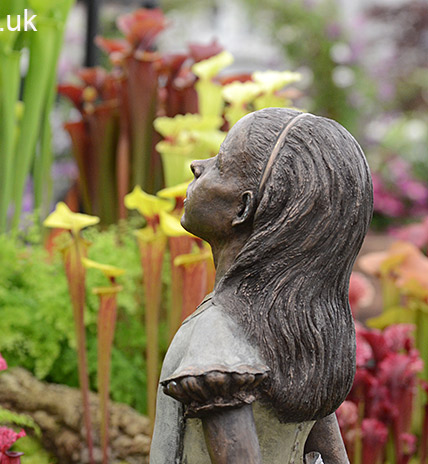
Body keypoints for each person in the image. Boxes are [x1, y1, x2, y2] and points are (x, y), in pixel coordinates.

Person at [150, 107, 373, 464]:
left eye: (221, 164)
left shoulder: (218, 338)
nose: (197, 165)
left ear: (243, 209)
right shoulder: (297, 330)